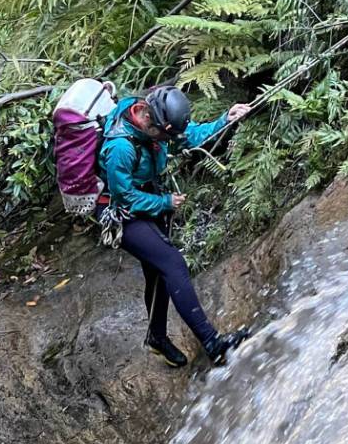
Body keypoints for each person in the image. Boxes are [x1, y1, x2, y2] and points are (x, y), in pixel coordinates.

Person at [99, 85, 253, 369]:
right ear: (150, 121)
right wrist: (165, 202)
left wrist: (225, 119)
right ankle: (213, 344)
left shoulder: (156, 124)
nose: (168, 140)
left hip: (147, 196)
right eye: (165, 135)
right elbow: (124, 196)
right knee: (172, 263)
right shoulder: (121, 147)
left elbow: (187, 135)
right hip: (120, 208)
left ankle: (156, 338)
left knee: (157, 272)